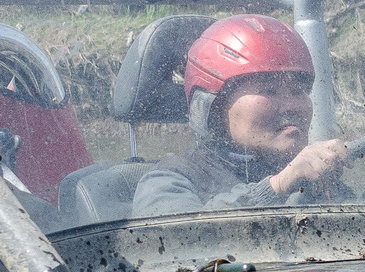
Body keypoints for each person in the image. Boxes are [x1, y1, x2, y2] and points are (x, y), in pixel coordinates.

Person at [131, 15, 350, 217]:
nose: (292, 105)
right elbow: (174, 242)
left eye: (298, 91)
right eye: (269, 91)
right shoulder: (170, 180)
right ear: (215, 106)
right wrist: (277, 187)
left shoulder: (315, 176)